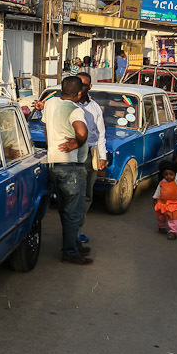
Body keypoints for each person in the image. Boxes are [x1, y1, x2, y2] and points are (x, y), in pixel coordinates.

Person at [43, 75, 92, 265]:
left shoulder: (52, 103)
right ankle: (70, 252)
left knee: (65, 209)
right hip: (70, 167)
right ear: (79, 94)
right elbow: (82, 132)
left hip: (54, 164)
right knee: (74, 211)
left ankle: (74, 245)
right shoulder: (74, 110)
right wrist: (76, 143)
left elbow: (47, 129)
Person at [76, 72, 107, 244]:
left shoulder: (94, 107)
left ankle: (79, 230)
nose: (81, 87)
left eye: (85, 84)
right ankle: (70, 231)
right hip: (72, 154)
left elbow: (101, 134)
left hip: (90, 154)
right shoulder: (66, 105)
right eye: (78, 84)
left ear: (90, 87)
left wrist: (102, 156)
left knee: (87, 193)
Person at [153, 159, 177, 240]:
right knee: (160, 217)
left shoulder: (176, 181)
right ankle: (161, 227)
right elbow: (158, 191)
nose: (168, 176)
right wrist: (155, 199)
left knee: (172, 219)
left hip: (172, 204)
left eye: (171, 174)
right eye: (166, 174)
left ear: (175, 174)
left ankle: (173, 232)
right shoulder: (162, 182)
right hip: (162, 203)